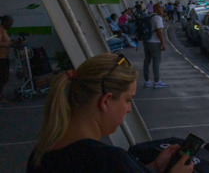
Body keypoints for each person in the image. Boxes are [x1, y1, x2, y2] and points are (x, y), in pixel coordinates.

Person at [26, 53, 194, 173]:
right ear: (105, 101)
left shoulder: (41, 153)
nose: (129, 109)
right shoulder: (110, 161)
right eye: (128, 100)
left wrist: (154, 167)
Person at [143, 3, 166, 88]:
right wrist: (163, 43)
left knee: (147, 61)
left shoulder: (149, 17)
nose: (162, 10)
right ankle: (156, 81)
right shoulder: (158, 18)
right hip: (155, 43)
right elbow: (159, 31)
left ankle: (147, 81)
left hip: (146, 42)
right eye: (160, 9)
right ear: (156, 9)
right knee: (156, 62)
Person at [0, 15, 21, 102]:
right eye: (10, 23)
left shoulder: (4, 30)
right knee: (2, 77)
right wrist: (12, 43)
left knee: (5, 77)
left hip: (4, 57)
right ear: (5, 22)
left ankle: (1, 94)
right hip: (1, 58)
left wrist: (15, 41)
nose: (11, 26)